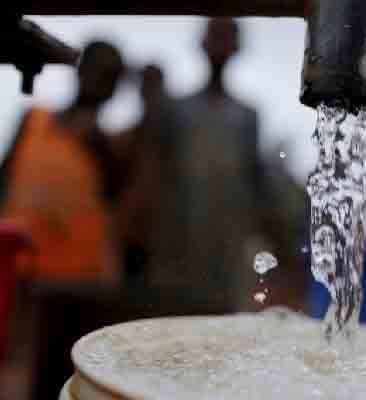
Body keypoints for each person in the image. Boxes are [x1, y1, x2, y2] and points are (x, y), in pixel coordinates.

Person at [147, 19, 267, 311]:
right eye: (216, 37)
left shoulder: (246, 116)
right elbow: (158, 173)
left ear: (237, 47)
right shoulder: (177, 110)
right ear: (202, 43)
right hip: (181, 238)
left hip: (230, 242)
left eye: (227, 38)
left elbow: (255, 181)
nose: (220, 46)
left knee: (224, 318)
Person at [0, 41, 125, 283]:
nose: (98, 79)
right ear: (79, 69)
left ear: (115, 87)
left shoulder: (109, 146)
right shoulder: (33, 120)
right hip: (18, 269)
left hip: (78, 280)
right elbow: (3, 180)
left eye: (109, 75)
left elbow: (118, 204)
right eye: (94, 68)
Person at [113, 65, 181, 280]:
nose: (150, 93)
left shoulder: (177, 141)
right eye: (146, 86)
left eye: (154, 86)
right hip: (127, 239)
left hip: (162, 240)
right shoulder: (126, 138)